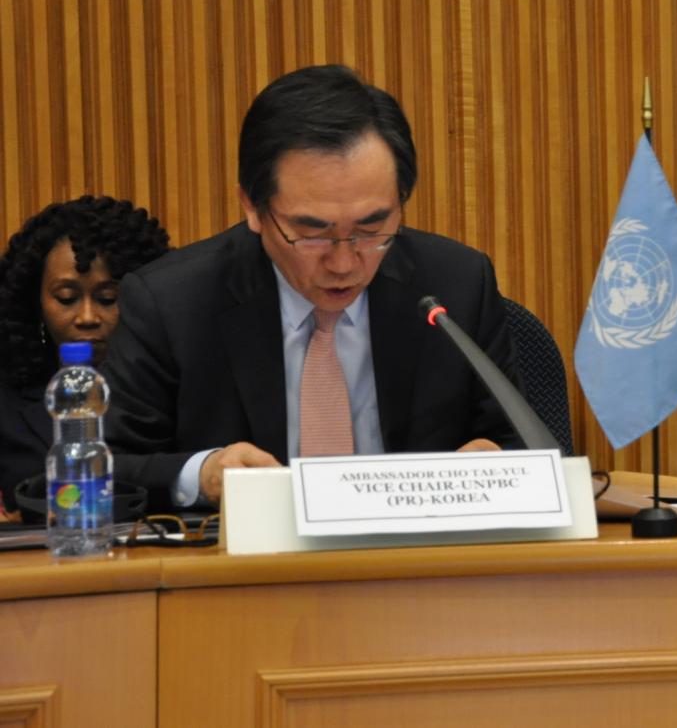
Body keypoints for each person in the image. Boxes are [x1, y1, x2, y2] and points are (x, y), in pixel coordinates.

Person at [104, 65, 522, 510]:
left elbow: (520, 442)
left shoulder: (457, 284)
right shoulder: (173, 303)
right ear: (252, 207)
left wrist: (497, 460)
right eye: (312, 233)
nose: (343, 263)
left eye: (371, 228)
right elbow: (104, 469)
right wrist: (201, 475)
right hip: (250, 553)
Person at [0, 196, 170, 513]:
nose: (87, 317)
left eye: (108, 298)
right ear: (36, 302)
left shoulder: (176, 383)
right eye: (67, 298)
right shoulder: (7, 398)